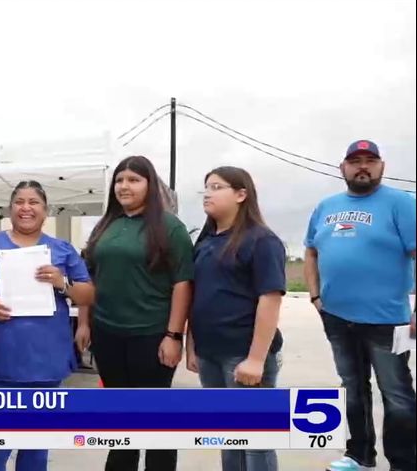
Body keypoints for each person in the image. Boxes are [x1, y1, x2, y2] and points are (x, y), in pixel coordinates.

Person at [0, 180, 95, 471]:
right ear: (10, 208)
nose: (26, 208)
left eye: (34, 202)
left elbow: (88, 294)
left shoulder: (62, 250)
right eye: (19, 202)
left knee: (35, 449)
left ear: (46, 211)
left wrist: (61, 283)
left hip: (45, 363)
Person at [304, 140, 416, 471]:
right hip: (337, 318)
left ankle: (404, 462)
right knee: (352, 388)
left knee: (396, 395)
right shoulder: (326, 206)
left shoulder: (401, 203)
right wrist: (314, 295)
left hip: (388, 321)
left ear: (382, 166)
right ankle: (359, 455)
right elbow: (311, 250)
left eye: (370, 160)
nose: (362, 166)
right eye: (355, 161)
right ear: (343, 168)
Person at [80, 155, 193, 471]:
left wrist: (174, 335)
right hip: (108, 335)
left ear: (150, 185)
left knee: (155, 422)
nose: (124, 186)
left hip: (151, 335)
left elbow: (183, 283)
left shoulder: (169, 228)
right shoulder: (106, 225)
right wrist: (85, 323)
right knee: (120, 420)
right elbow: (90, 277)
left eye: (133, 180)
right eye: (119, 180)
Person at [186, 166, 285, 471]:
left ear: (241, 194)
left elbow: (270, 299)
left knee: (255, 441)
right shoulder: (204, 243)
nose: (208, 193)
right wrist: (192, 346)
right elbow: (196, 297)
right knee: (227, 437)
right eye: (206, 187)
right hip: (210, 355)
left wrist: (255, 359)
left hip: (244, 355)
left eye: (217, 187)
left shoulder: (261, 240)